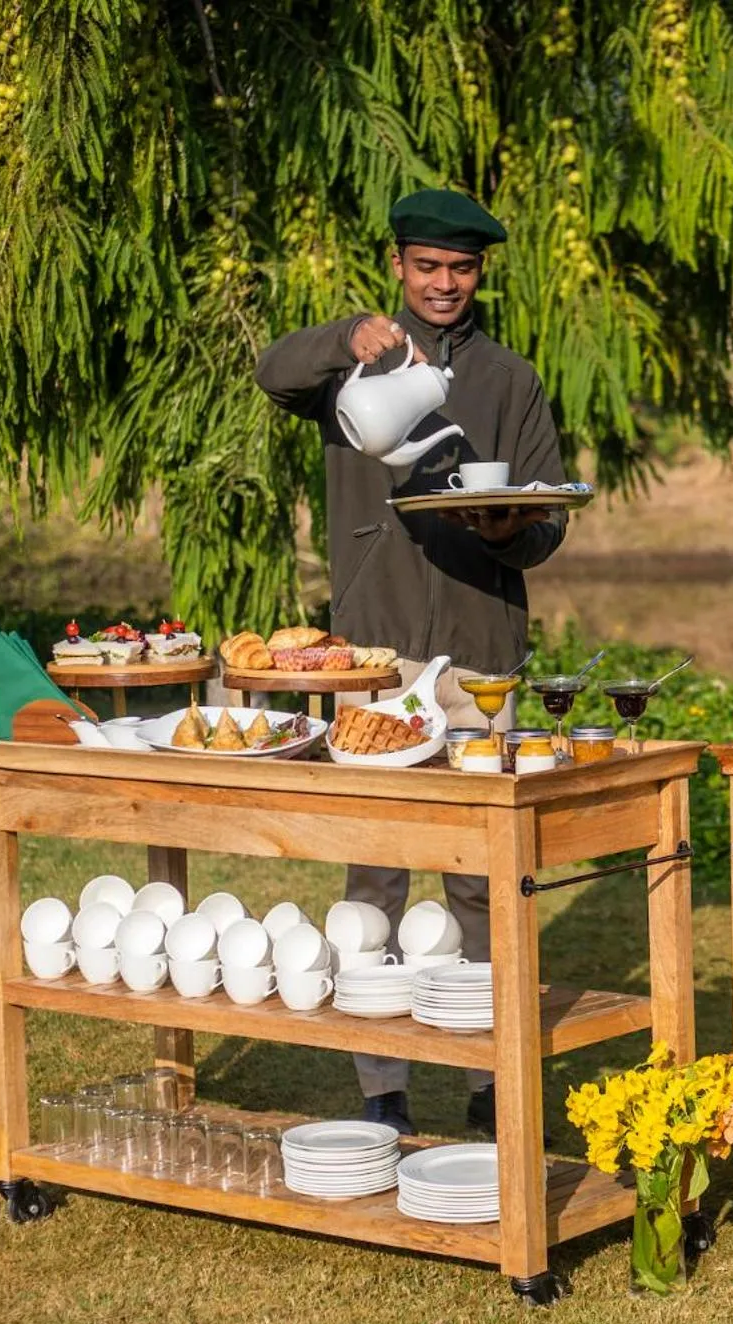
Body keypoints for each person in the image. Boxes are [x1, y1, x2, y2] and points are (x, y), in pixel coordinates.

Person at [254, 188, 567, 1136]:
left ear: (480, 275)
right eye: (427, 266)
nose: (444, 283)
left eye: (461, 269)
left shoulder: (510, 379)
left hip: (480, 655)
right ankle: (381, 1085)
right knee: (375, 877)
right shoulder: (357, 360)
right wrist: (348, 336)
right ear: (397, 265)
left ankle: (487, 1073)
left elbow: (548, 521)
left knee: (483, 876)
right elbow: (271, 373)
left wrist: (505, 526)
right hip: (374, 656)